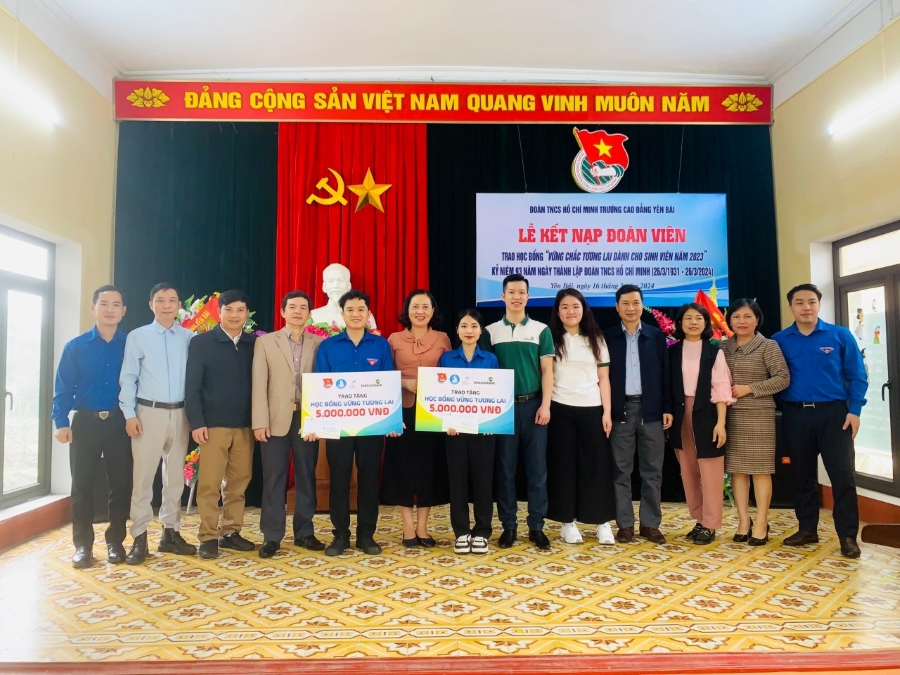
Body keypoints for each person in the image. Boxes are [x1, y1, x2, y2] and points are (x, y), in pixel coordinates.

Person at [773, 283, 867, 559]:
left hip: (834, 415)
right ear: (790, 307)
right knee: (801, 475)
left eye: (811, 302)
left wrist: (855, 411)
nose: (806, 307)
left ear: (819, 304)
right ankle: (807, 529)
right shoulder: (779, 340)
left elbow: (857, 376)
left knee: (842, 476)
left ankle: (847, 536)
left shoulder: (839, 335)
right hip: (796, 415)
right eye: (799, 302)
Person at [52, 285, 132, 568]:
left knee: (120, 485)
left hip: (119, 422)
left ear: (123, 311)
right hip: (84, 422)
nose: (110, 310)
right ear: (93, 308)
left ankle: (115, 542)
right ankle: (83, 546)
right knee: (82, 486)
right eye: (104, 304)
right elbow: (63, 388)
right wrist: (61, 422)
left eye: (116, 305)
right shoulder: (75, 347)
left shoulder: (131, 345)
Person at [313, 289, 396, 556]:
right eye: (350, 310)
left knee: (369, 479)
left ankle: (366, 535)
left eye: (361, 309)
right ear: (342, 314)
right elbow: (320, 386)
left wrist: (391, 420)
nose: (356, 314)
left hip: (372, 426)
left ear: (368, 314)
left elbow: (387, 384)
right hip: (338, 426)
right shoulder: (328, 347)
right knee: (339, 478)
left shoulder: (380, 346)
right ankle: (340, 535)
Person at [119, 283, 196, 564]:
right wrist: (129, 414)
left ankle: (170, 532)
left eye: (172, 300)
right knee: (143, 477)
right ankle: (139, 537)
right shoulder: (138, 336)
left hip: (180, 414)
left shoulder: (189, 337)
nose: (166, 305)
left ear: (179, 306)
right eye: (160, 300)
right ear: (151, 304)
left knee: (175, 477)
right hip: (147, 413)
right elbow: (128, 377)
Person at [482, 274, 554, 550]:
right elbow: (484, 372)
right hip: (503, 409)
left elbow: (547, 371)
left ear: (528, 296)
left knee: (537, 470)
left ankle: (537, 526)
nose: (516, 297)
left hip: (534, 406)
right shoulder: (490, 332)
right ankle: (509, 526)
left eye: (521, 292)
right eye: (511, 292)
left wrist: (546, 405)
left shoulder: (541, 330)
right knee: (505, 470)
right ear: (502, 296)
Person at [252, 291, 325, 558]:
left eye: (303, 307)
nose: (297, 311)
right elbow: (259, 383)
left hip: (307, 418)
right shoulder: (265, 342)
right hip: (274, 419)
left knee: (306, 475)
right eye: (292, 307)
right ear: (282, 311)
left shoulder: (320, 343)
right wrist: (260, 421)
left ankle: (304, 532)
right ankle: (272, 536)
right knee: (274, 478)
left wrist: (320, 420)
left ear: (309, 313)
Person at [184, 290, 257, 559]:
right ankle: (208, 536)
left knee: (238, 483)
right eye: (229, 310)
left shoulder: (254, 344)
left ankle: (231, 532)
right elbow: (192, 387)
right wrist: (197, 422)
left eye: (240, 310)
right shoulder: (201, 343)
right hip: (212, 426)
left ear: (246, 313)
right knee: (210, 485)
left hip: (246, 426)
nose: (235, 315)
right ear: (219, 312)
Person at [546, 289, 616, 546]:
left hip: (592, 408)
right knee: (564, 467)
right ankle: (567, 522)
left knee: (596, 467)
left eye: (575, 306)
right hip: (560, 408)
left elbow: (604, 378)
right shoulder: (550, 338)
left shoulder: (596, 338)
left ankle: (601, 522)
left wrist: (607, 412)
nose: (570, 311)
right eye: (564, 307)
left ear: (583, 309)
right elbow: (546, 374)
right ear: (558, 312)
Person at [381, 290, 451, 548]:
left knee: (428, 468)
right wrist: (405, 383)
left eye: (425, 306)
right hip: (402, 410)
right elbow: (384, 376)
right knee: (402, 467)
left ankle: (423, 526)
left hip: (433, 412)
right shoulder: (394, 339)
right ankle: (408, 527)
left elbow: (450, 373)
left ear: (433, 311)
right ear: (407, 310)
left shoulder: (443, 338)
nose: (420, 311)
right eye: (415, 306)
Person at [605, 284, 673, 545]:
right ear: (617, 307)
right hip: (620, 411)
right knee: (620, 471)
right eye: (625, 303)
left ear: (642, 305)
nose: (631, 308)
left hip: (651, 411)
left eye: (635, 303)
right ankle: (625, 525)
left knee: (652, 471)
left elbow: (665, 374)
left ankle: (650, 524)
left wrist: (667, 407)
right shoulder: (608, 337)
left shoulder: (656, 336)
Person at [721, 299, 790, 546]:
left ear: (757, 319)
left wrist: (750, 388)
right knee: (737, 470)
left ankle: (761, 522)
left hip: (759, 415)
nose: (742, 321)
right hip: (730, 415)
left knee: (760, 470)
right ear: (730, 320)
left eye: (748, 316)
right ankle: (743, 521)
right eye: (737, 316)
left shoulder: (768, 346)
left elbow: (783, 378)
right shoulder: (723, 347)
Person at [669, 303, 734, 545]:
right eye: (688, 318)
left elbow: (721, 388)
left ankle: (711, 523)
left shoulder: (714, 352)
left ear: (706, 323)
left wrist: (721, 423)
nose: (693, 322)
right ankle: (699, 519)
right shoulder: (672, 351)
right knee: (688, 471)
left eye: (698, 318)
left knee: (710, 470)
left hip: (707, 411)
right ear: (680, 323)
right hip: (680, 413)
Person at [440, 310, 499, 555]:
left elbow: (495, 395)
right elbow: (441, 395)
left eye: (474, 326)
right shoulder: (446, 359)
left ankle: (482, 532)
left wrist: (491, 422)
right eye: (464, 325)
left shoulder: (490, 359)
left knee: (483, 481)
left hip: (483, 432)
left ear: (481, 330)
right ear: (457, 329)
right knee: (458, 482)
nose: (469, 330)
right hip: (454, 431)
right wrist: (447, 421)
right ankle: (462, 532)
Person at [309, 263, 377, 331]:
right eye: (330, 281)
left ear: (349, 286)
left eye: (340, 280)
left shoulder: (364, 316)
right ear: (324, 286)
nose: (336, 285)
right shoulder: (312, 316)